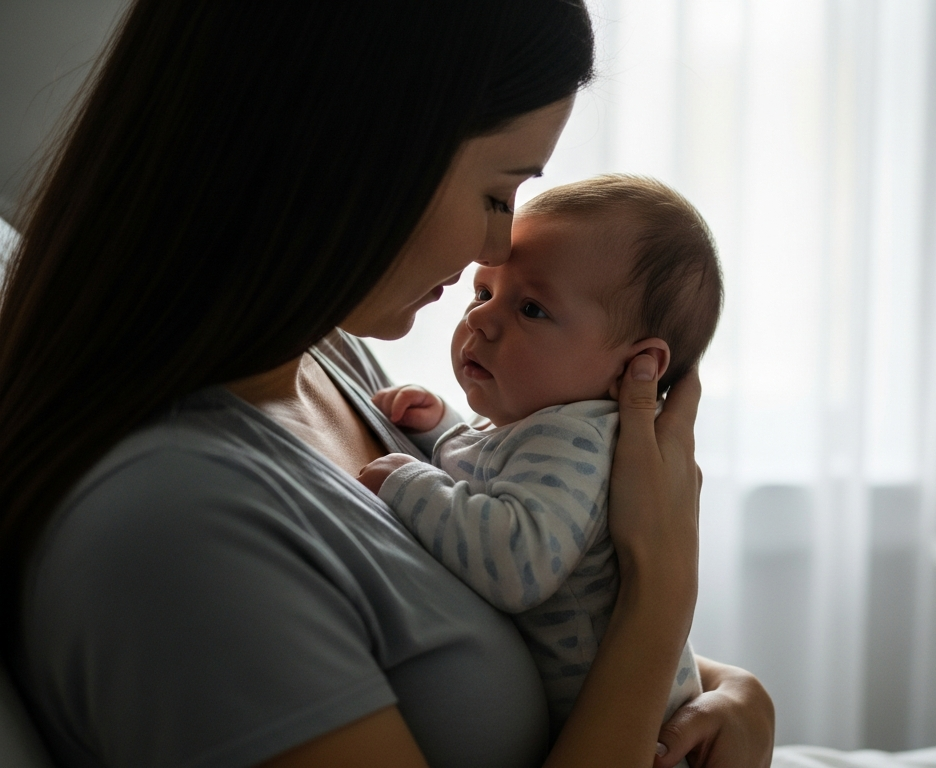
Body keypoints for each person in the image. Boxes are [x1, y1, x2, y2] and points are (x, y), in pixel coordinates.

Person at [0, 2, 773, 767]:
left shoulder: (318, 357)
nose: (495, 248)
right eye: (498, 193)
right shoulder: (177, 534)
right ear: (358, 151)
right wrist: (662, 589)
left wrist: (729, 690)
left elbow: (531, 622)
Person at [354, 175, 723, 746]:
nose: (479, 319)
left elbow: (516, 558)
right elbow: (499, 474)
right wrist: (444, 428)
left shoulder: (576, 441)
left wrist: (408, 483)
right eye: (482, 294)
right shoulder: (550, 428)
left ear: (635, 367)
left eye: (531, 308)